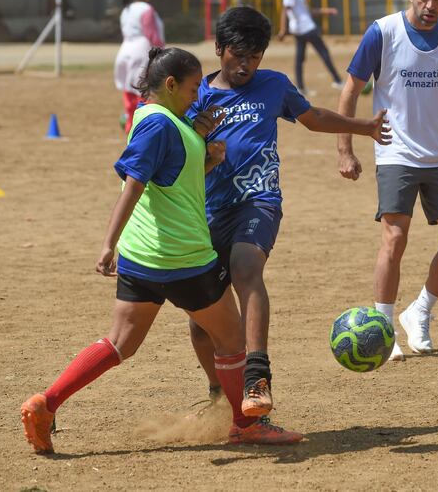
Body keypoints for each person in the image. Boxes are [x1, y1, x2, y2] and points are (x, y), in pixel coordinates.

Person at [20, 47, 302, 454]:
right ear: (169, 85)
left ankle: (46, 404)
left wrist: (207, 156)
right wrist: (106, 243)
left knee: (121, 342)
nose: (197, 97)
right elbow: (134, 182)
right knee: (232, 338)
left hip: (144, 257)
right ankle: (245, 426)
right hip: (183, 256)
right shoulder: (160, 125)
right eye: (191, 89)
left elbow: (171, 181)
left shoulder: (161, 119)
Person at [186, 6, 391, 421]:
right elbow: (178, 156)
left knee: (247, 269)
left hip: (258, 200)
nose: (245, 65)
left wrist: (362, 126)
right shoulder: (197, 98)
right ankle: (219, 393)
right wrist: (198, 136)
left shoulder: (274, 86)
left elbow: (313, 118)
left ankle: (257, 377)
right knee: (201, 320)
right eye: (238, 55)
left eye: (255, 57)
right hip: (206, 211)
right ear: (219, 48)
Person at [337, 0, 438, 361]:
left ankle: (419, 311)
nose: (429, 4)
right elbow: (350, 91)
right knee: (395, 237)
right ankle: (382, 331)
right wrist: (345, 149)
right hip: (395, 150)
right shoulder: (383, 33)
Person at [278, 0, 343, 96]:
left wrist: (326, 11)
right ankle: (338, 81)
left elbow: (308, 12)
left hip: (300, 29)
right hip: (306, 28)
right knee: (323, 52)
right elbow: (285, 10)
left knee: (300, 58)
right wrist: (282, 29)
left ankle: (301, 87)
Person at [114, 0, 165, 134]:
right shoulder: (146, 9)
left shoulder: (126, 10)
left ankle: (130, 124)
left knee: (129, 91)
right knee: (144, 91)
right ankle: (141, 128)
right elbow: (153, 35)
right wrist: (161, 53)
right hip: (141, 51)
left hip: (125, 50)